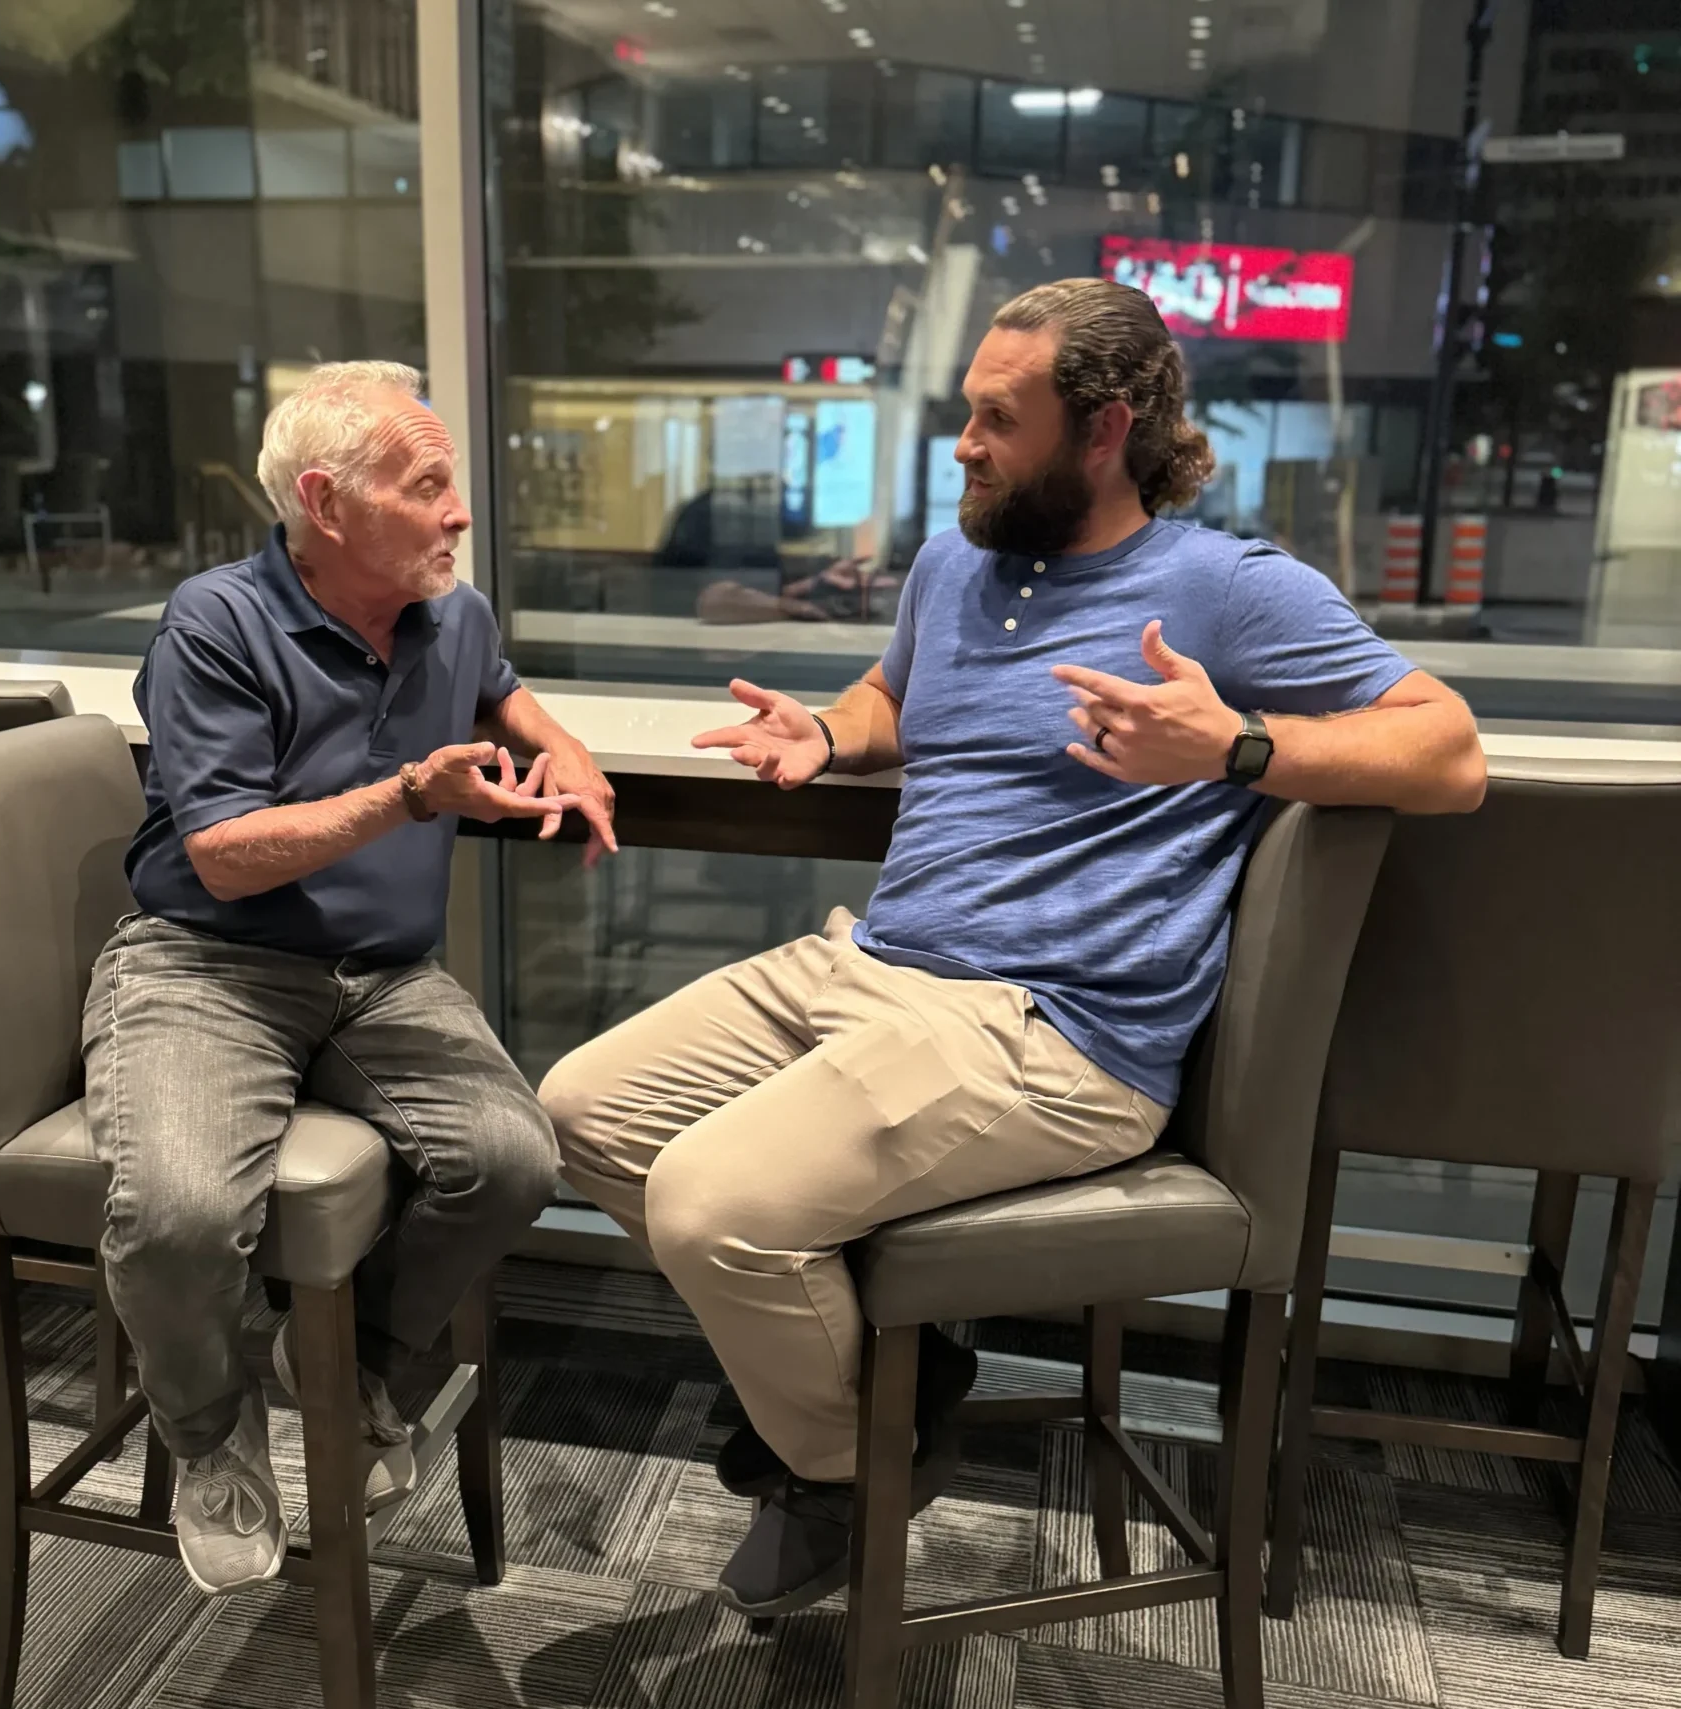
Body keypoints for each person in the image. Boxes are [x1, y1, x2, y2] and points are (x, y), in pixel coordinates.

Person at [539, 279, 1485, 1619]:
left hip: (1053, 1031)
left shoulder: (1224, 586)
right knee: (579, 1112)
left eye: (996, 418)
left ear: (1102, 427)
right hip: (871, 964)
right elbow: (894, 694)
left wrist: (1239, 747)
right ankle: (899, 1390)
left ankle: (843, 1470)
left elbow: (1449, 752)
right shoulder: (954, 563)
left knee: (712, 1202)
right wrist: (832, 731)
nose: (965, 444)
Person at [86, 360, 618, 1595]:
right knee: (174, 1215)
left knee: (515, 1157)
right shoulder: (216, 622)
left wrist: (573, 757)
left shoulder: (454, 611)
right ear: (326, 503)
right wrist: (410, 794)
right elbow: (218, 858)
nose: (458, 511)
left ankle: (357, 1362)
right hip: (208, 966)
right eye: (427, 485)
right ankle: (212, 1435)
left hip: (381, 977)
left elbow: (510, 694)